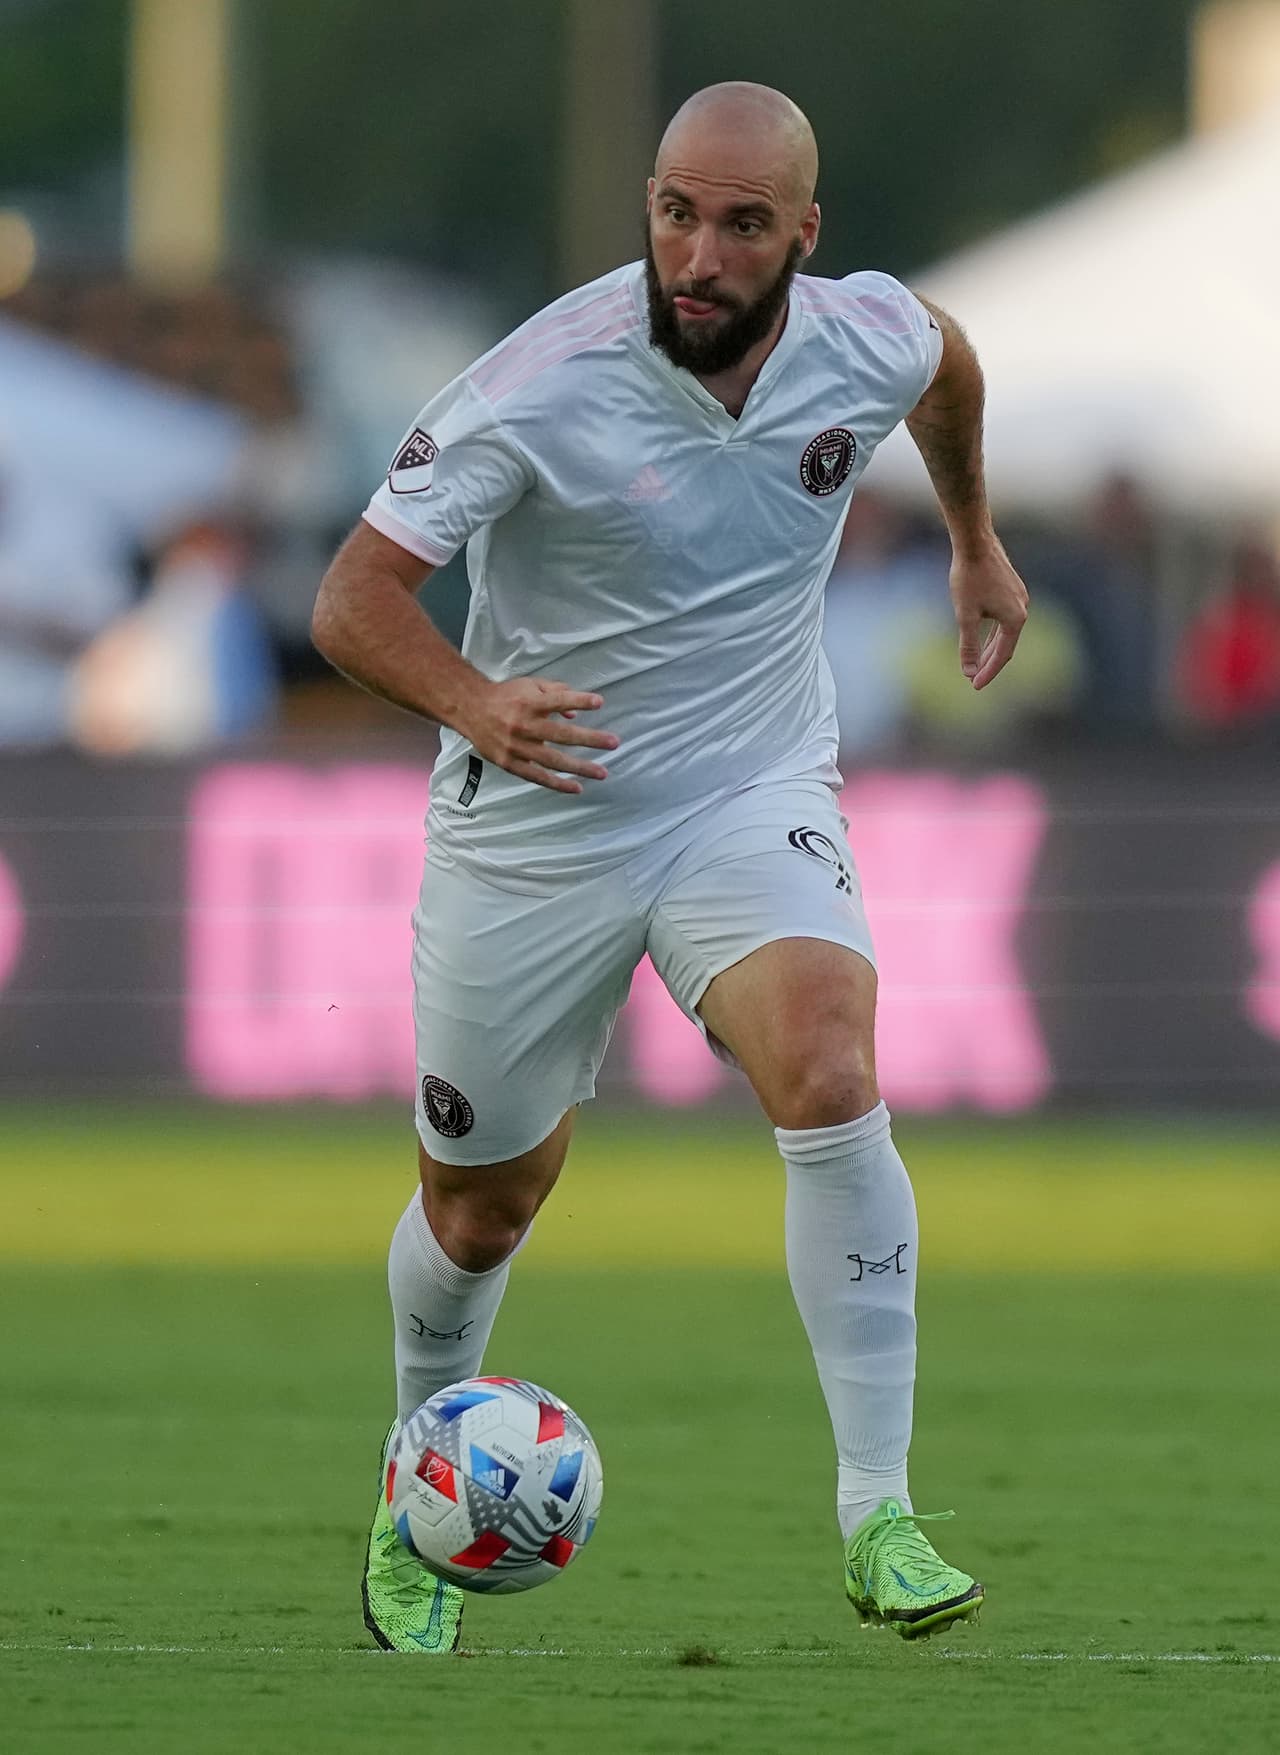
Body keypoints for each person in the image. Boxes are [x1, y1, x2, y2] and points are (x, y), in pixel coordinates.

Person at [312, 82, 1028, 1654]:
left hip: (746, 789)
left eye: (743, 226)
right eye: (676, 214)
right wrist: (474, 699)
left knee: (830, 1066)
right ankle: (413, 1488)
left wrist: (972, 535)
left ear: (806, 235)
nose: (700, 257)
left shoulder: (865, 334)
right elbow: (352, 598)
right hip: (537, 815)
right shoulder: (541, 384)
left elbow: (949, 364)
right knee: (482, 1209)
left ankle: (881, 1512)